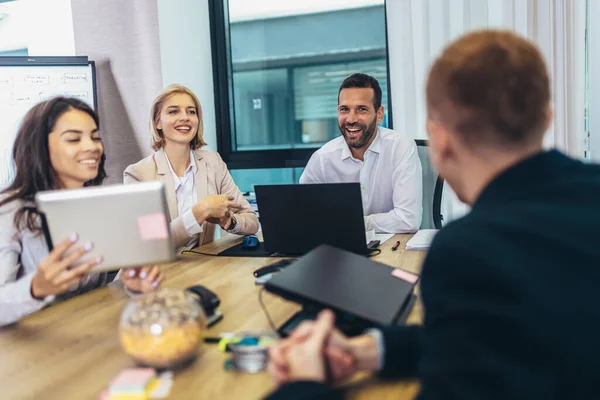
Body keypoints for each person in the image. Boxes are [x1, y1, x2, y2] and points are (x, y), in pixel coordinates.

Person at [266, 30, 600, 399]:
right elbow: (493, 336)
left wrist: (303, 385)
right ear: (547, 117)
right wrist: (370, 350)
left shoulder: (468, 252)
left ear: (438, 139)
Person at [0, 97, 163, 327]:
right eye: (74, 139)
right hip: (30, 351)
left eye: (95, 137)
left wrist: (131, 286)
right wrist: (35, 289)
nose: (92, 147)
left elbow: (95, 291)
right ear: (40, 147)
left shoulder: (94, 204)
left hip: (86, 339)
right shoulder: (9, 211)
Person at [124, 84, 258, 251]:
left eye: (191, 111)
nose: (185, 117)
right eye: (173, 111)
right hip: (159, 273)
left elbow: (252, 221)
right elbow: (150, 244)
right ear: (158, 122)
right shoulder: (139, 174)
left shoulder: (213, 162)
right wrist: (200, 211)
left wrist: (230, 221)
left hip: (199, 269)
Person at [299, 73, 422, 233]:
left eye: (361, 109)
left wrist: (351, 223)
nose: (351, 119)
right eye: (344, 109)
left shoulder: (399, 147)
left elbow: (408, 219)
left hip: (393, 249)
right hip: (339, 248)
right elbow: (303, 213)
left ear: (379, 114)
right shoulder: (323, 158)